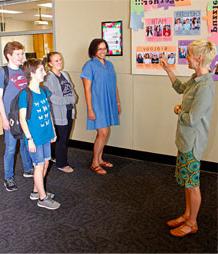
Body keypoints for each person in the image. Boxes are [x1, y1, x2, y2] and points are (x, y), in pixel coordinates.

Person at [160, 40, 217, 237]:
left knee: (193, 185)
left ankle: (192, 223)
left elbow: (192, 118)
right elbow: (180, 88)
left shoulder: (206, 86)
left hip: (193, 143)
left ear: (199, 58)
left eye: (189, 55)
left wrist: (178, 110)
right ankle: (187, 214)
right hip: (185, 139)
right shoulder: (196, 78)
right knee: (187, 181)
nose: (187, 58)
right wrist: (168, 70)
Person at [19, 58, 60, 210]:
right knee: (39, 165)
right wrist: (29, 139)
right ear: (32, 74)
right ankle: (42, 198)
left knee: (46, 163)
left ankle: (36, 191)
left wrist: (53, 131)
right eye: (41, 70)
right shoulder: (25, 94)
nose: (45, 72)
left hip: (45, 135)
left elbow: (48, 113)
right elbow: (22, 119)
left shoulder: (42, 91)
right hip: (34, 138)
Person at [81, 38, 121, 175]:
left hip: (109, 102)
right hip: (97, 103)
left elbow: (114, 85)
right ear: (93, 50)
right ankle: (94, 163)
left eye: (105, 48)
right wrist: (90, 109)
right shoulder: (89, 65)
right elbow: (87, 90)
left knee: (106, 132)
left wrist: (117, 102)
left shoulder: (109, 64)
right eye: (100, 49)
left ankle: (100, 159)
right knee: (102, 133)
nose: (103, 51)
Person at [0, 41, 33, 192]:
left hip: (24, 116)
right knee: (11, 149)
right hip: (10, 117)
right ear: (9, 55)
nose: (21, 57)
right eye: (18, 54)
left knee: (26, 144)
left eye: (22, 53)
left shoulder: (23, 71)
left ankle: (27, 169)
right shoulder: (3, 72)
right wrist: (4, 119)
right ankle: (8, 177)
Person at [44, 52, 77, 173]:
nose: (59, 62)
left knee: (64, 138)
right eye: (56, 61)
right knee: (61, 139)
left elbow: (72, 92)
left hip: (69, 111)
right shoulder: (48, 78)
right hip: (58, 113)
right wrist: (70, 99)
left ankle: (54, 156)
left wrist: (71, 99)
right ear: (50, 63)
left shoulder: (65, 74)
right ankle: (61, 164)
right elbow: (53, 98)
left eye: (60, 60)